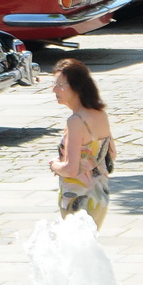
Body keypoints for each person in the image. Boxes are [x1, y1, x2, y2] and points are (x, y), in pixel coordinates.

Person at [48, 59, 115, 228]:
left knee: (73, 250)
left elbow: (71, 169)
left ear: (76, 87)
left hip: (77, 197)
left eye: (60, 85)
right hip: (99, 196)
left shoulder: (76, 121)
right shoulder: (100, 114)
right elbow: (111, 154)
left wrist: (54, 165)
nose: (54, 89)